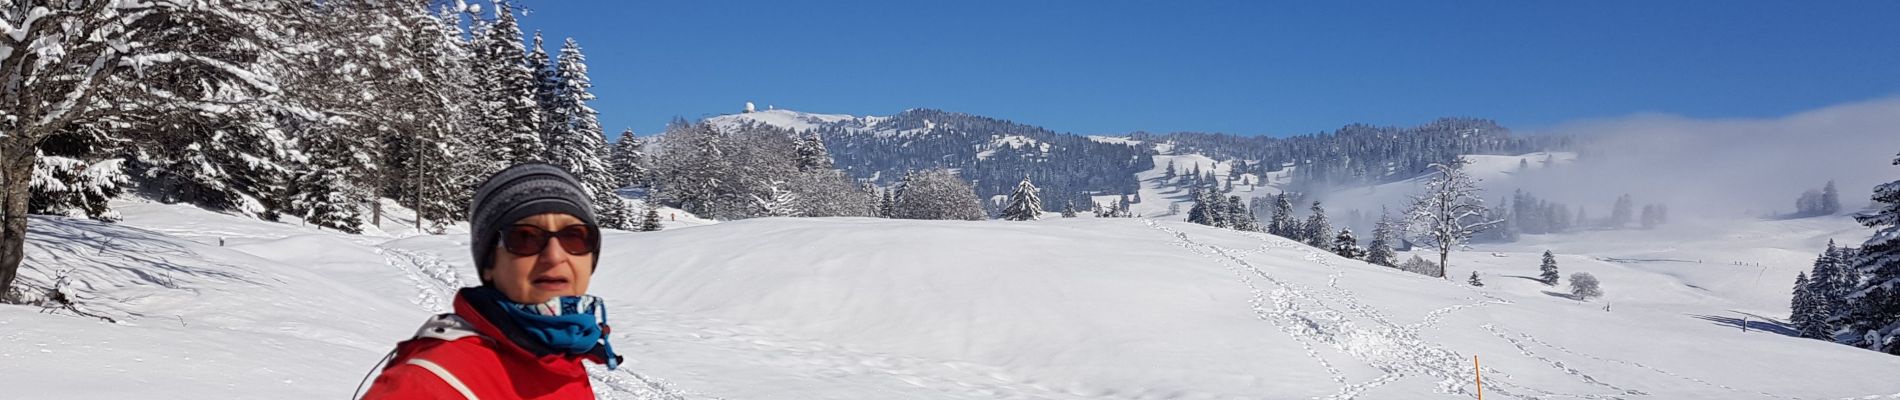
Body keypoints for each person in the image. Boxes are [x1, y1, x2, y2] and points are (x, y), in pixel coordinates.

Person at [362, 163, 622, 399]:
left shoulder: (563, 358)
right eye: (525, 237)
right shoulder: (429, 383)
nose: (554, 256)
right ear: (489, 263)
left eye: (574, 237)